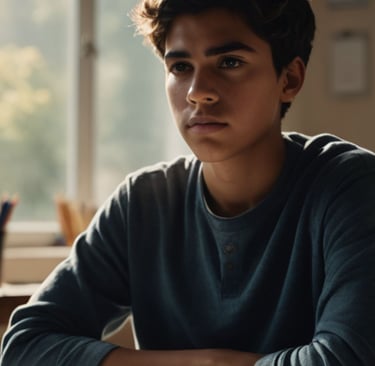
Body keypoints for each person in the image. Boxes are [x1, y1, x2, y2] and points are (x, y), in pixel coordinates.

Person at [1, 0, 375, 365]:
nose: (197, 91)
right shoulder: (144, 203)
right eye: (180, 66)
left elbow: (348, 357)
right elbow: (25, 346)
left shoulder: (351, 188)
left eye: (230, 62)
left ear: (289, 79)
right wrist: (208, 361)